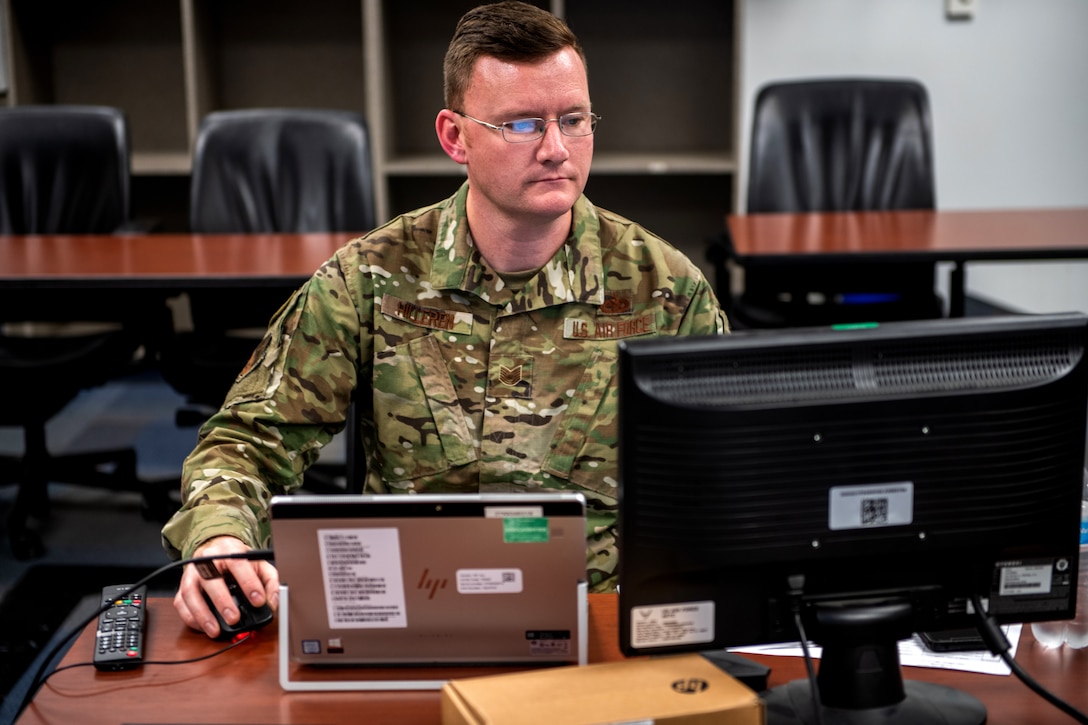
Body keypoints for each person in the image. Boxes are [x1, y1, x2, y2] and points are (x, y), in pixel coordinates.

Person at [162, 0, 728, 639]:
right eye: (520, 125)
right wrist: (219, 536)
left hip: (597, 621)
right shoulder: (370, 277)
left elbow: (728, 470)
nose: (555, 149)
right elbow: (247, 440)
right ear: (456, 137)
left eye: (573, 120)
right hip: (409, 615)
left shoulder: (665, 290)